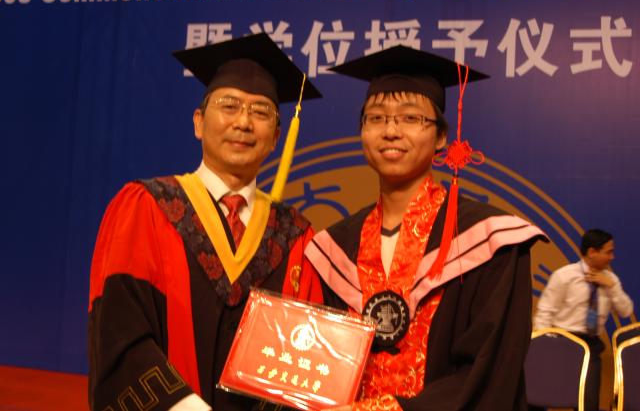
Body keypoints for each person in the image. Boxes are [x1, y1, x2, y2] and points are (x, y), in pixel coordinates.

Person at [87, 33, 323, 411]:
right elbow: (119, 333)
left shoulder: (295, 236)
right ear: (199, 122)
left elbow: (303, 362)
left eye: (260, 112)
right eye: (229, 106)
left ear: (276, 137)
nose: (243, 122)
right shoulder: (147, 208)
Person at [304, 46, 547, 410]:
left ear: (441, 136)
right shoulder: (335, 247)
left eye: (410, 118)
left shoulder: (490, 241)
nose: (391, 131)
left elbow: (491, 371)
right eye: (376, 118)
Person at [534, 228, 634, 411]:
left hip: (591, 345)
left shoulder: (611, 280)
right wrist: (546, 347)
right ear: (592, 252)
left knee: (588, 403)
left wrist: (612, 287)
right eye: (608, 252)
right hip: (562, 342)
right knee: (538, 397)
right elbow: (544, 313)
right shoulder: (564, 276)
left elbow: (626, 311)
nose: (612, 257)